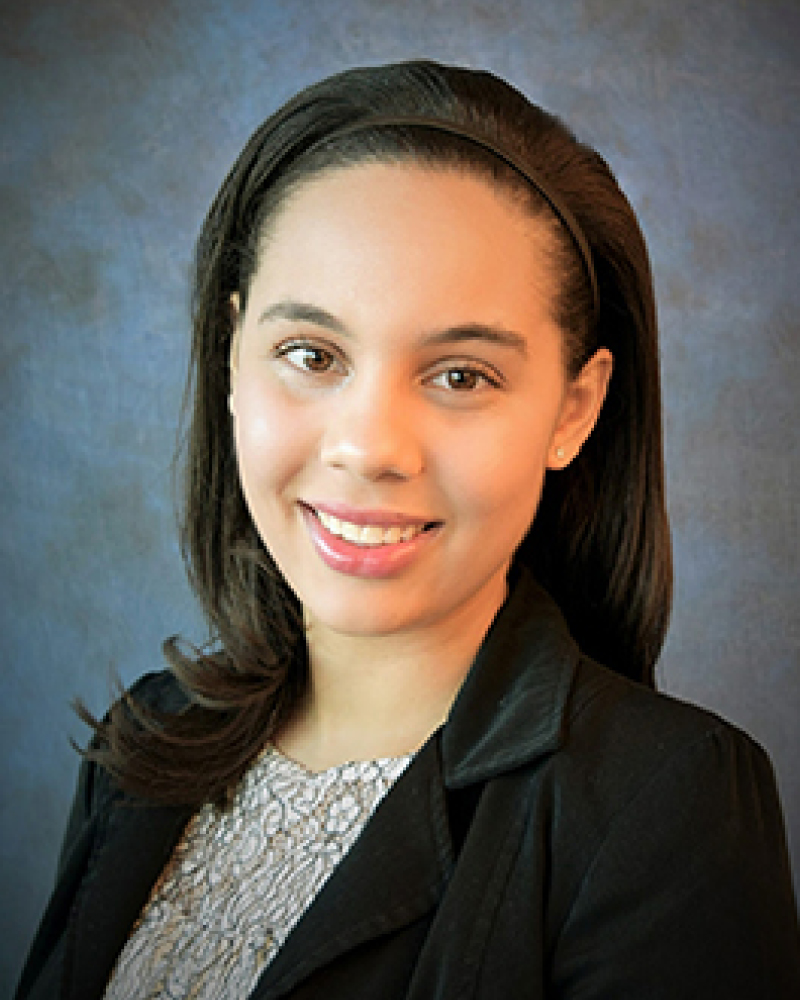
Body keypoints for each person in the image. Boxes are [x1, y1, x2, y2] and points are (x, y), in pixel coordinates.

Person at [15, 60, 800, 1000]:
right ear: (232, 357)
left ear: (574, 410)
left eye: (461, 375)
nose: (369, 448)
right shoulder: (142, 745)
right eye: (311, 355)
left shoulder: (666, 806)